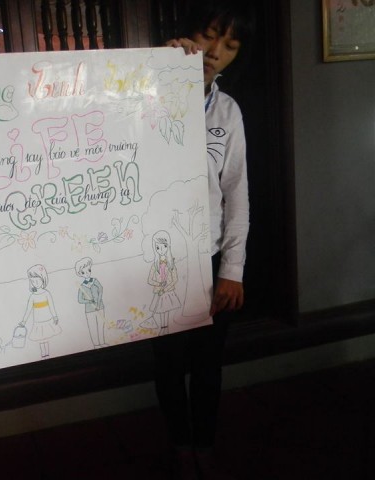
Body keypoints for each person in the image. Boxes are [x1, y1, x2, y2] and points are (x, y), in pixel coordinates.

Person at [152, 2, 254, 479]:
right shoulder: (144, 92)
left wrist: (232, 270)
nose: (215, 52)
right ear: (188, 32)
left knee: (209, 364)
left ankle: (205, 446)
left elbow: (237, 193)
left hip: (208, 258)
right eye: (210, 35)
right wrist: (159, 68)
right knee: (168, 365)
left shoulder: (228, 112)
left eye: (230, 45)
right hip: (157, 260)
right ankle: (179, 445)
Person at [74, 256, 108, 349]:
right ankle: (96, 345)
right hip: (89, 310)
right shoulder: (82, 286)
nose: (87, 273)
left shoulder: (95, 281)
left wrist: (98, 302)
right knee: (92, 327)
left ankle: (102, 343)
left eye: (88, 270)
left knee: (101, 326)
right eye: (83, 272)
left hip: (100, 307)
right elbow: (80, 300)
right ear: (80, 274)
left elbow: (101, 289)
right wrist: (89, 301)